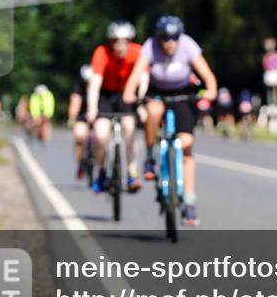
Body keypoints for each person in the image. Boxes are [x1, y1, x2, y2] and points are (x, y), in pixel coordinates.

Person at [123, 15, 217, 227]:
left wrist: (209, 92)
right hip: (157, 93)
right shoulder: (150, 47)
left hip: (183, 94)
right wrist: (129, 93)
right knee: (153, 112)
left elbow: (208, 76)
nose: (169, 43)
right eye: (165, 39)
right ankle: (149, 157)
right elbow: (136, 75)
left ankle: (190, 204)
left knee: (186, 146)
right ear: (158, 38)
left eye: (174, 38)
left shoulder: (188, 45)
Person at [87, 21, 143, 194]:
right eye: (116, 41)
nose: (120, 45)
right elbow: (95, 83)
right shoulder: (101, 52)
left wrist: (141, 103)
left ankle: (132, 171)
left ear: (130, 41)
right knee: (101, 135)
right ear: (110, 42)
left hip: (127, 94)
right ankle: (101, 171)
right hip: (106, 95)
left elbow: (143, 78)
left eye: (125, 41)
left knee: (129, 127)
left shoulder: (137, 51)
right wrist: (92, 108)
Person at [67, 65, 93, 179]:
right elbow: (74, 103)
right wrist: (72, 117)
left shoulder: (101, 85)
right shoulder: (79, 87)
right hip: (82, 116)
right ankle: (81, 162)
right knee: (79, 136)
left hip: (98, 115)